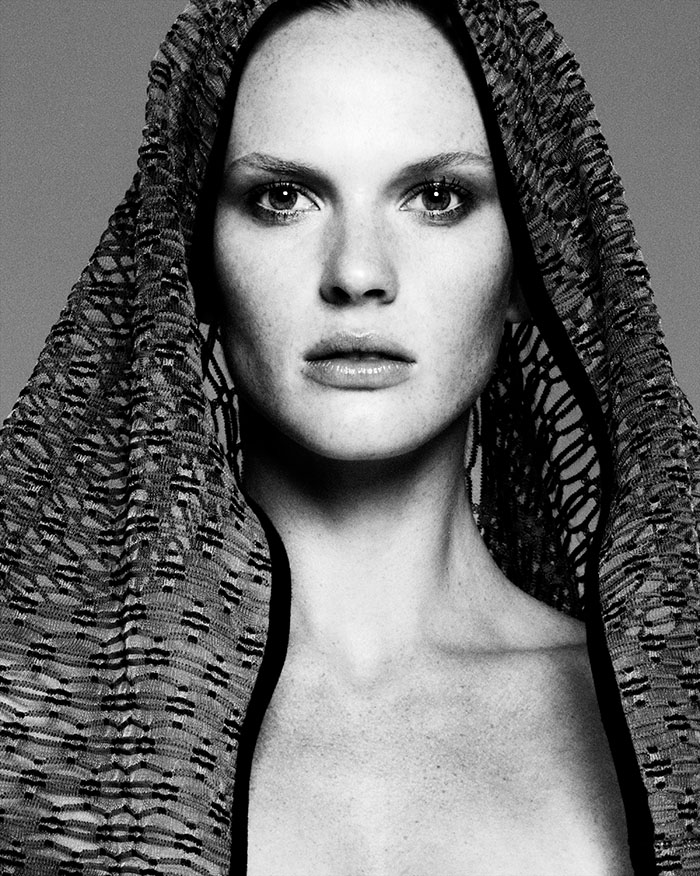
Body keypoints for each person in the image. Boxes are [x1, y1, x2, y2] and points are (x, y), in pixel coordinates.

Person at [0, 0, 696, 874]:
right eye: (282, 198)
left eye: (437, 198)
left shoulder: (679, 718)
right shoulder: (31, 713)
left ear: (529, 263)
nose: (358, 272)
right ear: (193, 262)